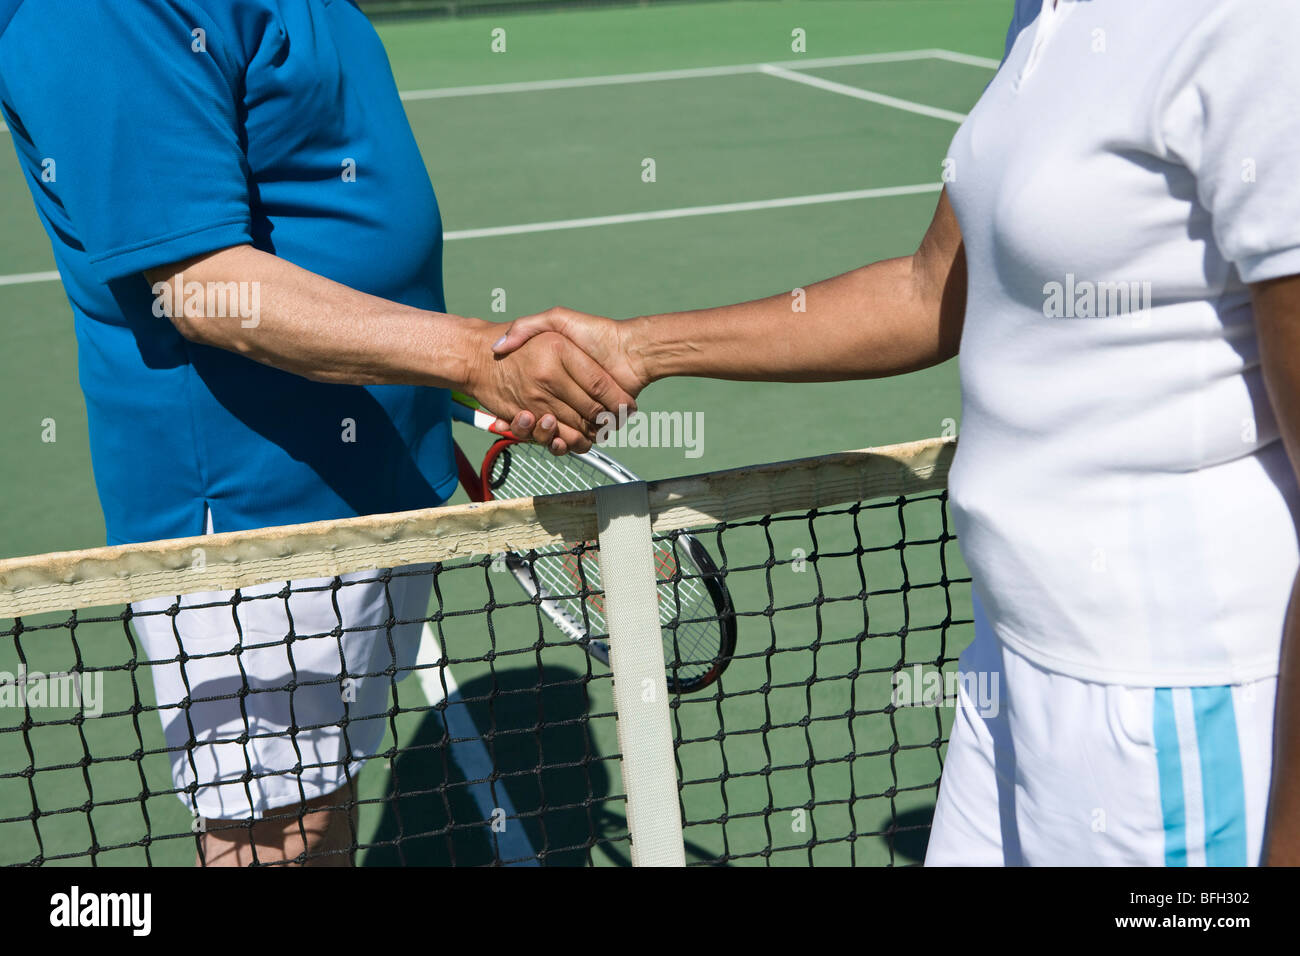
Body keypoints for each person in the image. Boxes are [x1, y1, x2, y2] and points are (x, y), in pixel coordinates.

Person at [492, 0, 1300, 866]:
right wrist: (638, 348)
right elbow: (928, 290)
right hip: (1009, 672)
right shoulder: (1042, 19)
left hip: (1170, 704)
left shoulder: (1251, 24)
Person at [0, 0, 631, 865]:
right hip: (251, 510)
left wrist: (418, 393)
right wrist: (471, 357)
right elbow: (201, 286)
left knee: (319, 796)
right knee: (272, 840)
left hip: (357, 473)